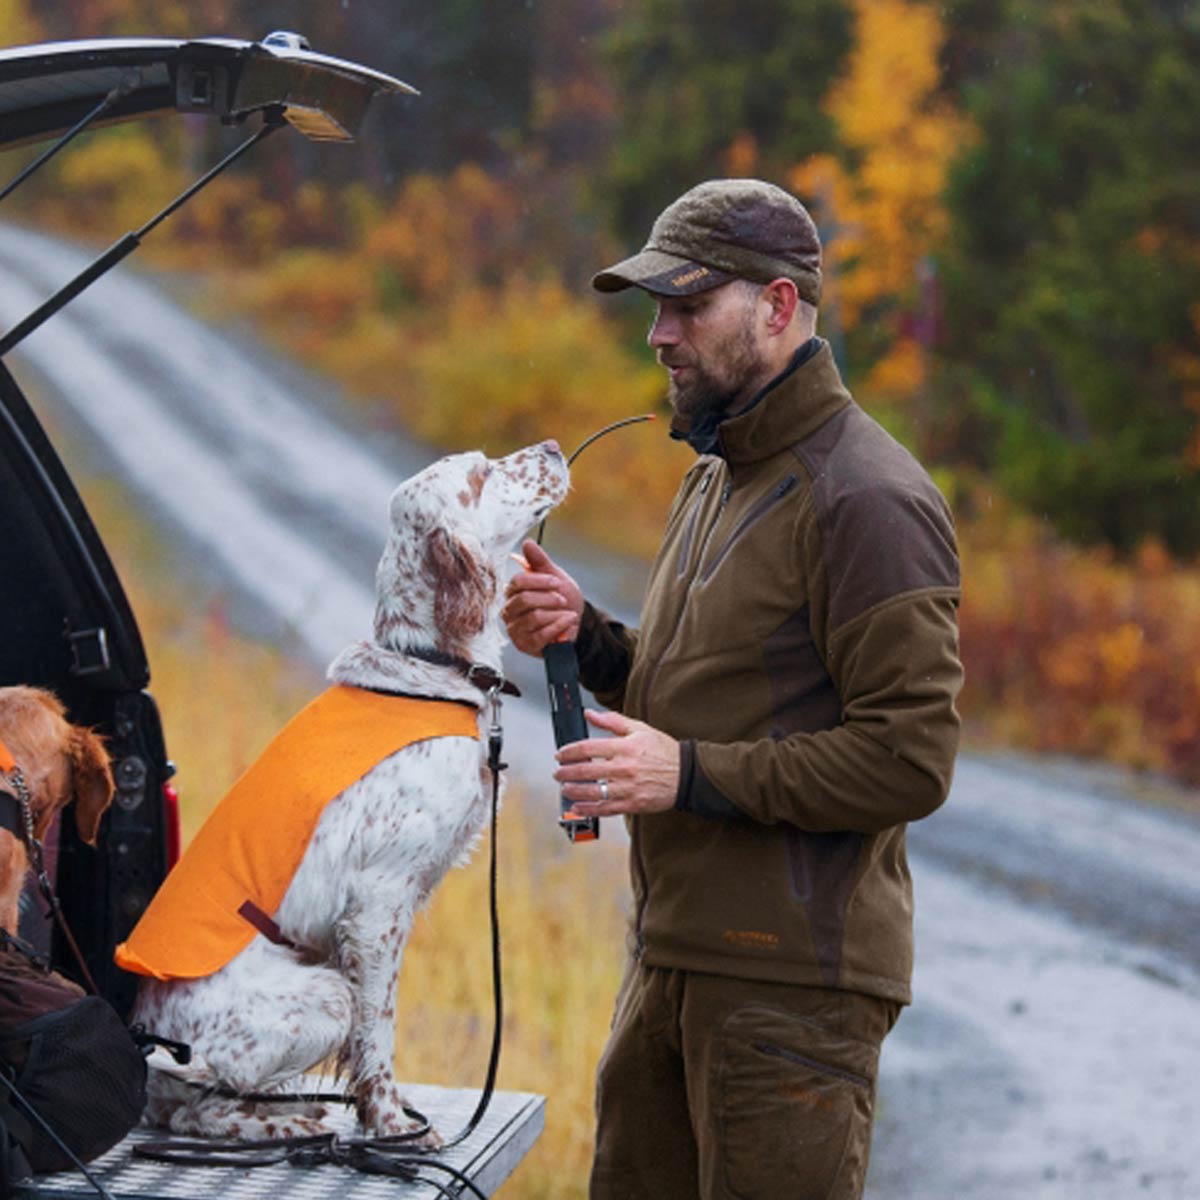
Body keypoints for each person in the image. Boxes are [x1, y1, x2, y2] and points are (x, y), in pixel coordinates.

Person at [502, 178, 963, 1200]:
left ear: (779, 307)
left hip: (792, 995)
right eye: (654, 310)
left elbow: (910, 758)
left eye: (686, 306)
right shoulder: (719, 475)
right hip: (672, 960)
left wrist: (690, 774)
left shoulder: (870, 499)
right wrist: (593, 640)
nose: (659, 335)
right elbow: (710, 693)